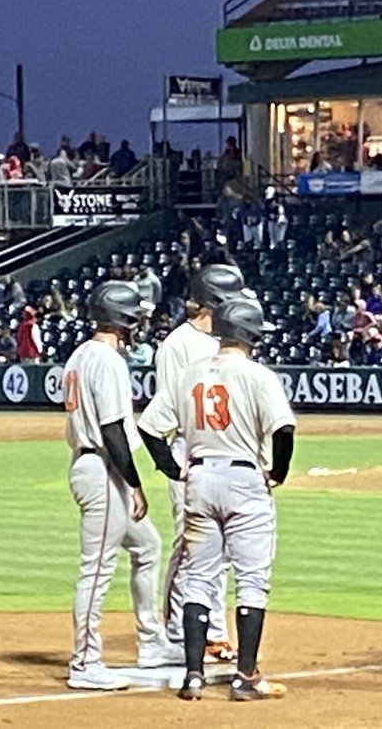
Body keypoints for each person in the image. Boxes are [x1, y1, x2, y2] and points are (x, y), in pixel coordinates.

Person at [160, 296, 296, 702]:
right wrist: (279, 473)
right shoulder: (257, 375)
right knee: (251, 579)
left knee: (198, 577)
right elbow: (283, 431)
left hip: (199, 478)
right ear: (251, 333)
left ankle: (193, 676)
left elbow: (152, 428)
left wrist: (171, 467)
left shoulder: (190, 374)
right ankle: (246, 677)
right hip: (243, 480)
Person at [62, 282, 179, 691]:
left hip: (93, 465)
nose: (141, 322)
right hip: (102, 468)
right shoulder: (108, 362)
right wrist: (135, 484)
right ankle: (84, 663)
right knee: (95, 570)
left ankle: (151, 642)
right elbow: (112, 430)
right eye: (137, 315)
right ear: (124, 319)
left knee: (146, 545)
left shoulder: (79, 355)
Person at [137, 264, 247, 665]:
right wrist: (172, 465)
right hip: (188, 450)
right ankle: (177, 630)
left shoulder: (229, 340)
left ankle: (213, 632)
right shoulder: (178, 344)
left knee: (221, 552)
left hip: (226, 453)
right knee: (191, 547)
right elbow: (168, 408)